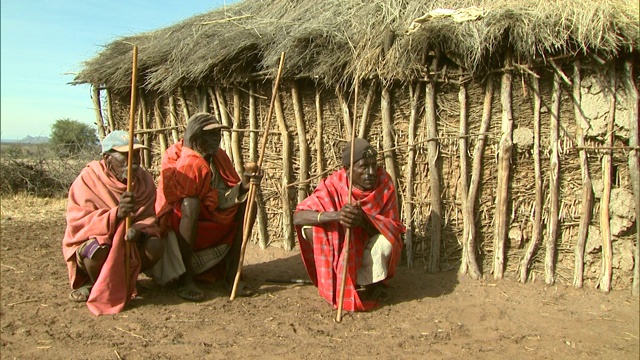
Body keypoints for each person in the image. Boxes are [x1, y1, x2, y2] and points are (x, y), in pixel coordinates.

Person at [151, 112, 262, 301]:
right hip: (180, 223)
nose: (215, 140)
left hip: (210, 222)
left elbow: (220, 197)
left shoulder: (219, 157)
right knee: (191, 203)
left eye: (217, 135)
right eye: (209, 135)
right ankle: (185, 280)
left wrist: (243, 186)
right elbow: (177, 192)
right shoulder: (175, 154)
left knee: (249, 204)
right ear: (195, 136)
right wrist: (188, 148)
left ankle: (232, 274)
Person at [293, 138, 405, 312]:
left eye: (373, 165)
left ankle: (371, 283)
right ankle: (336, 278)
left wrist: (364, 221)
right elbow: (298, 217)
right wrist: (338, 216)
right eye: (363, 167)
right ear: (347, 170)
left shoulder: (384, 183)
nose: (371, 172)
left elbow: (392, 227)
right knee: (313, 229)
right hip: (340, 245)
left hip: (366, 244)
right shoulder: (334, 184)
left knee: (387, 241)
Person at [62, 130, 164, 315]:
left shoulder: (144, 181)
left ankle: (126, 281)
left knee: (155, 246)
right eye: (125, 155)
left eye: (136, 155)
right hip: (97, 241)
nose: (133, 161)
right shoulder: (88, 180)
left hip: (129, 242)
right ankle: (94, 283)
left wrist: (139, 231)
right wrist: (115, 215)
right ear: (107, 158)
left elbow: (149, 218)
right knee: (97, 252)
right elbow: (79, 224)